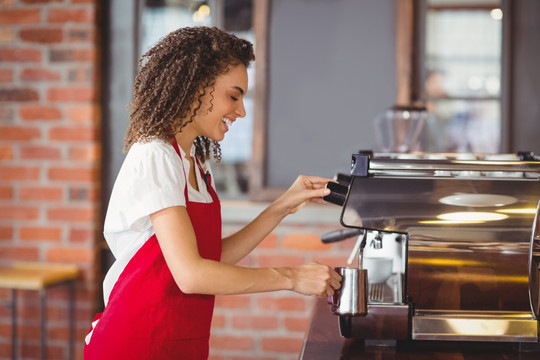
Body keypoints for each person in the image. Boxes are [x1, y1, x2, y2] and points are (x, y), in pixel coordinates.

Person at [83, 26, 341, 359]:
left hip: (181, 343)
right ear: (195, 87)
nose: (241, 111)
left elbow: (211, 259)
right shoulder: (155, 155)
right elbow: (191, 275)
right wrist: (291, 277)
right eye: (233, 96)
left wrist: (282, 205)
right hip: (136, 343)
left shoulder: (196, 163)